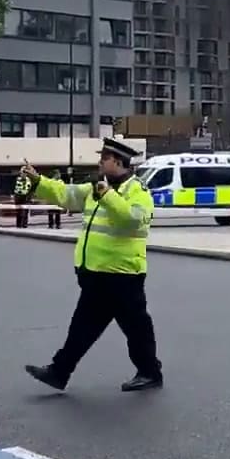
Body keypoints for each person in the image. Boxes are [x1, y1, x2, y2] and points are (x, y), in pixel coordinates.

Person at [21, 138, 163, 392]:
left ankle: (149, 372)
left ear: (118, 162)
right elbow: (65, 194)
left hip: (122, 276)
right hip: (96, 274)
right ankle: (59, 372)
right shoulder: (94, 188)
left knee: (136, 328)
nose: (99, 162)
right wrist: (38, 181)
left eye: (104, 158)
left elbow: (134, 221)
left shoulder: (137, 191)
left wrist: (107, 196)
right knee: (82, 328)